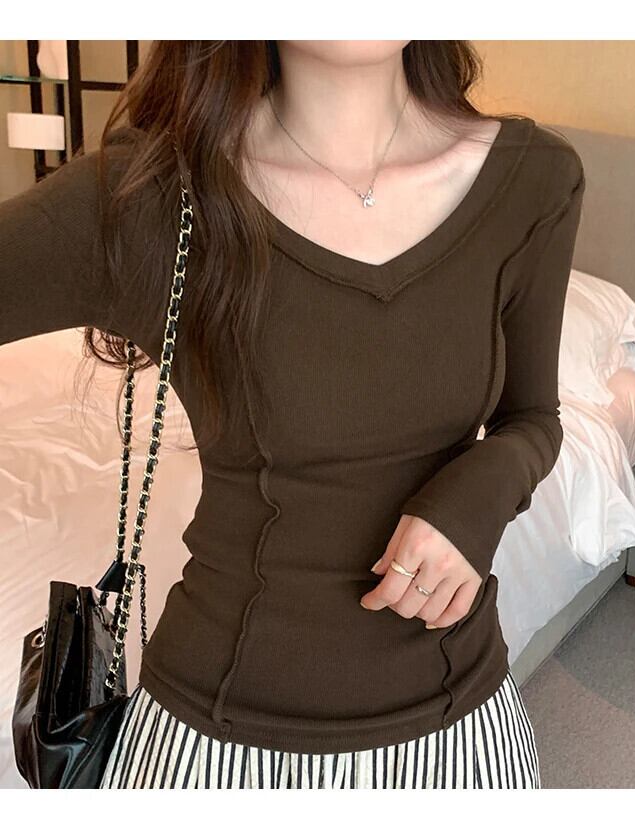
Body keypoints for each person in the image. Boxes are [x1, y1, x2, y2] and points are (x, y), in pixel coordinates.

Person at [1, 40, 585, 789]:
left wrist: (477, 495)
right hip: (214, 743)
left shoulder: (535, 180)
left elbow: (532, 417)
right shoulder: (149, 195)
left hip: (461, 721)